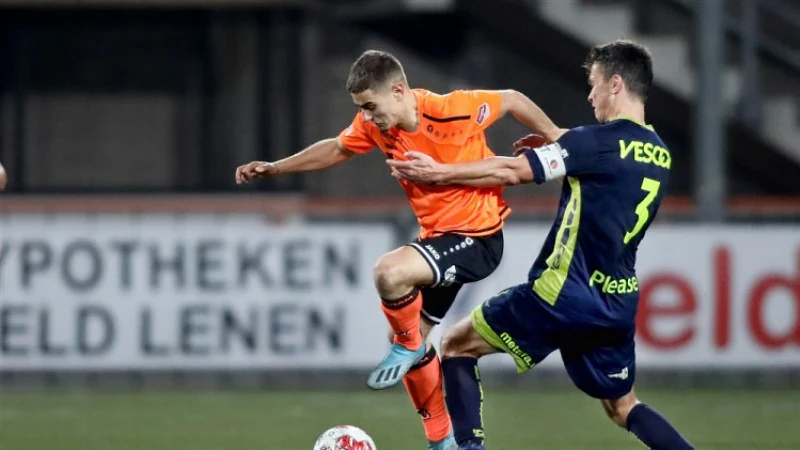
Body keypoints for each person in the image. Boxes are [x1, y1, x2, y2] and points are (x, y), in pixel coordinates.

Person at [235, 50, 560, 450]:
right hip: (439, 239)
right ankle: (442, 440)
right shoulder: (375, 126)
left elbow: (511, 98)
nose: (367, 117)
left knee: (390, 273)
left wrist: (555, 135)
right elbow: (338, 148)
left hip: (478, 238)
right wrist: (277, 167)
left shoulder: (452, 111)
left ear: (399, 91)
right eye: (361, 109)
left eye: (370, 107)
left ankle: (408, 347)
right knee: (412, 338)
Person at [388, 39, 694, 450]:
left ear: (616, 84)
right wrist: (563, 148)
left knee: (455, 345)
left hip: (562, 294)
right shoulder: (659, 153)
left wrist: (439, 173)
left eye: (594, 84)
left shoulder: (593, 142)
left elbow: (512, 171)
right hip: (617, 304)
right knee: (623, 406)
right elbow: (608, 160)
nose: (590, 94)